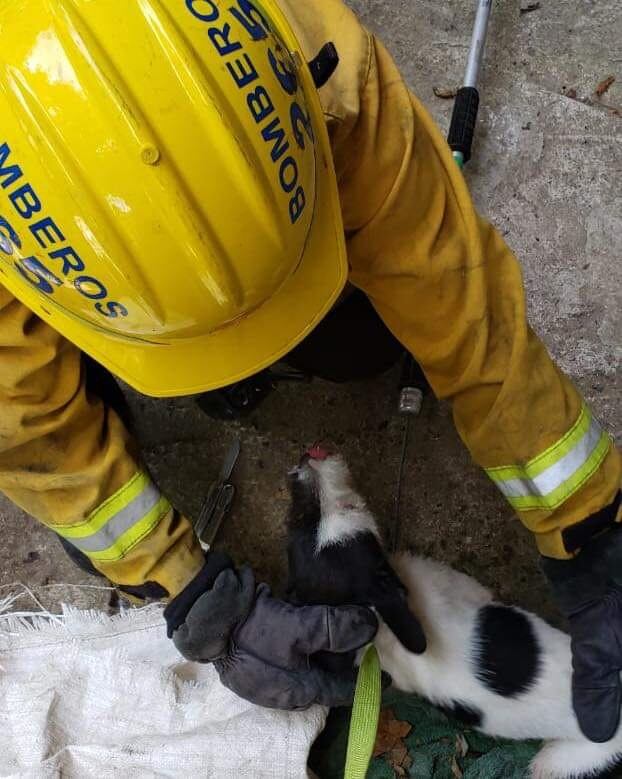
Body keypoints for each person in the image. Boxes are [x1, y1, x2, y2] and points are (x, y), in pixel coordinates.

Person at [0, 0, 619, 739]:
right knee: (69, 455)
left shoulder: (313, 61)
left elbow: (462, 304)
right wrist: (181, 583)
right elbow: (24, 427)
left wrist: (588, 520)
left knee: (361, 342)